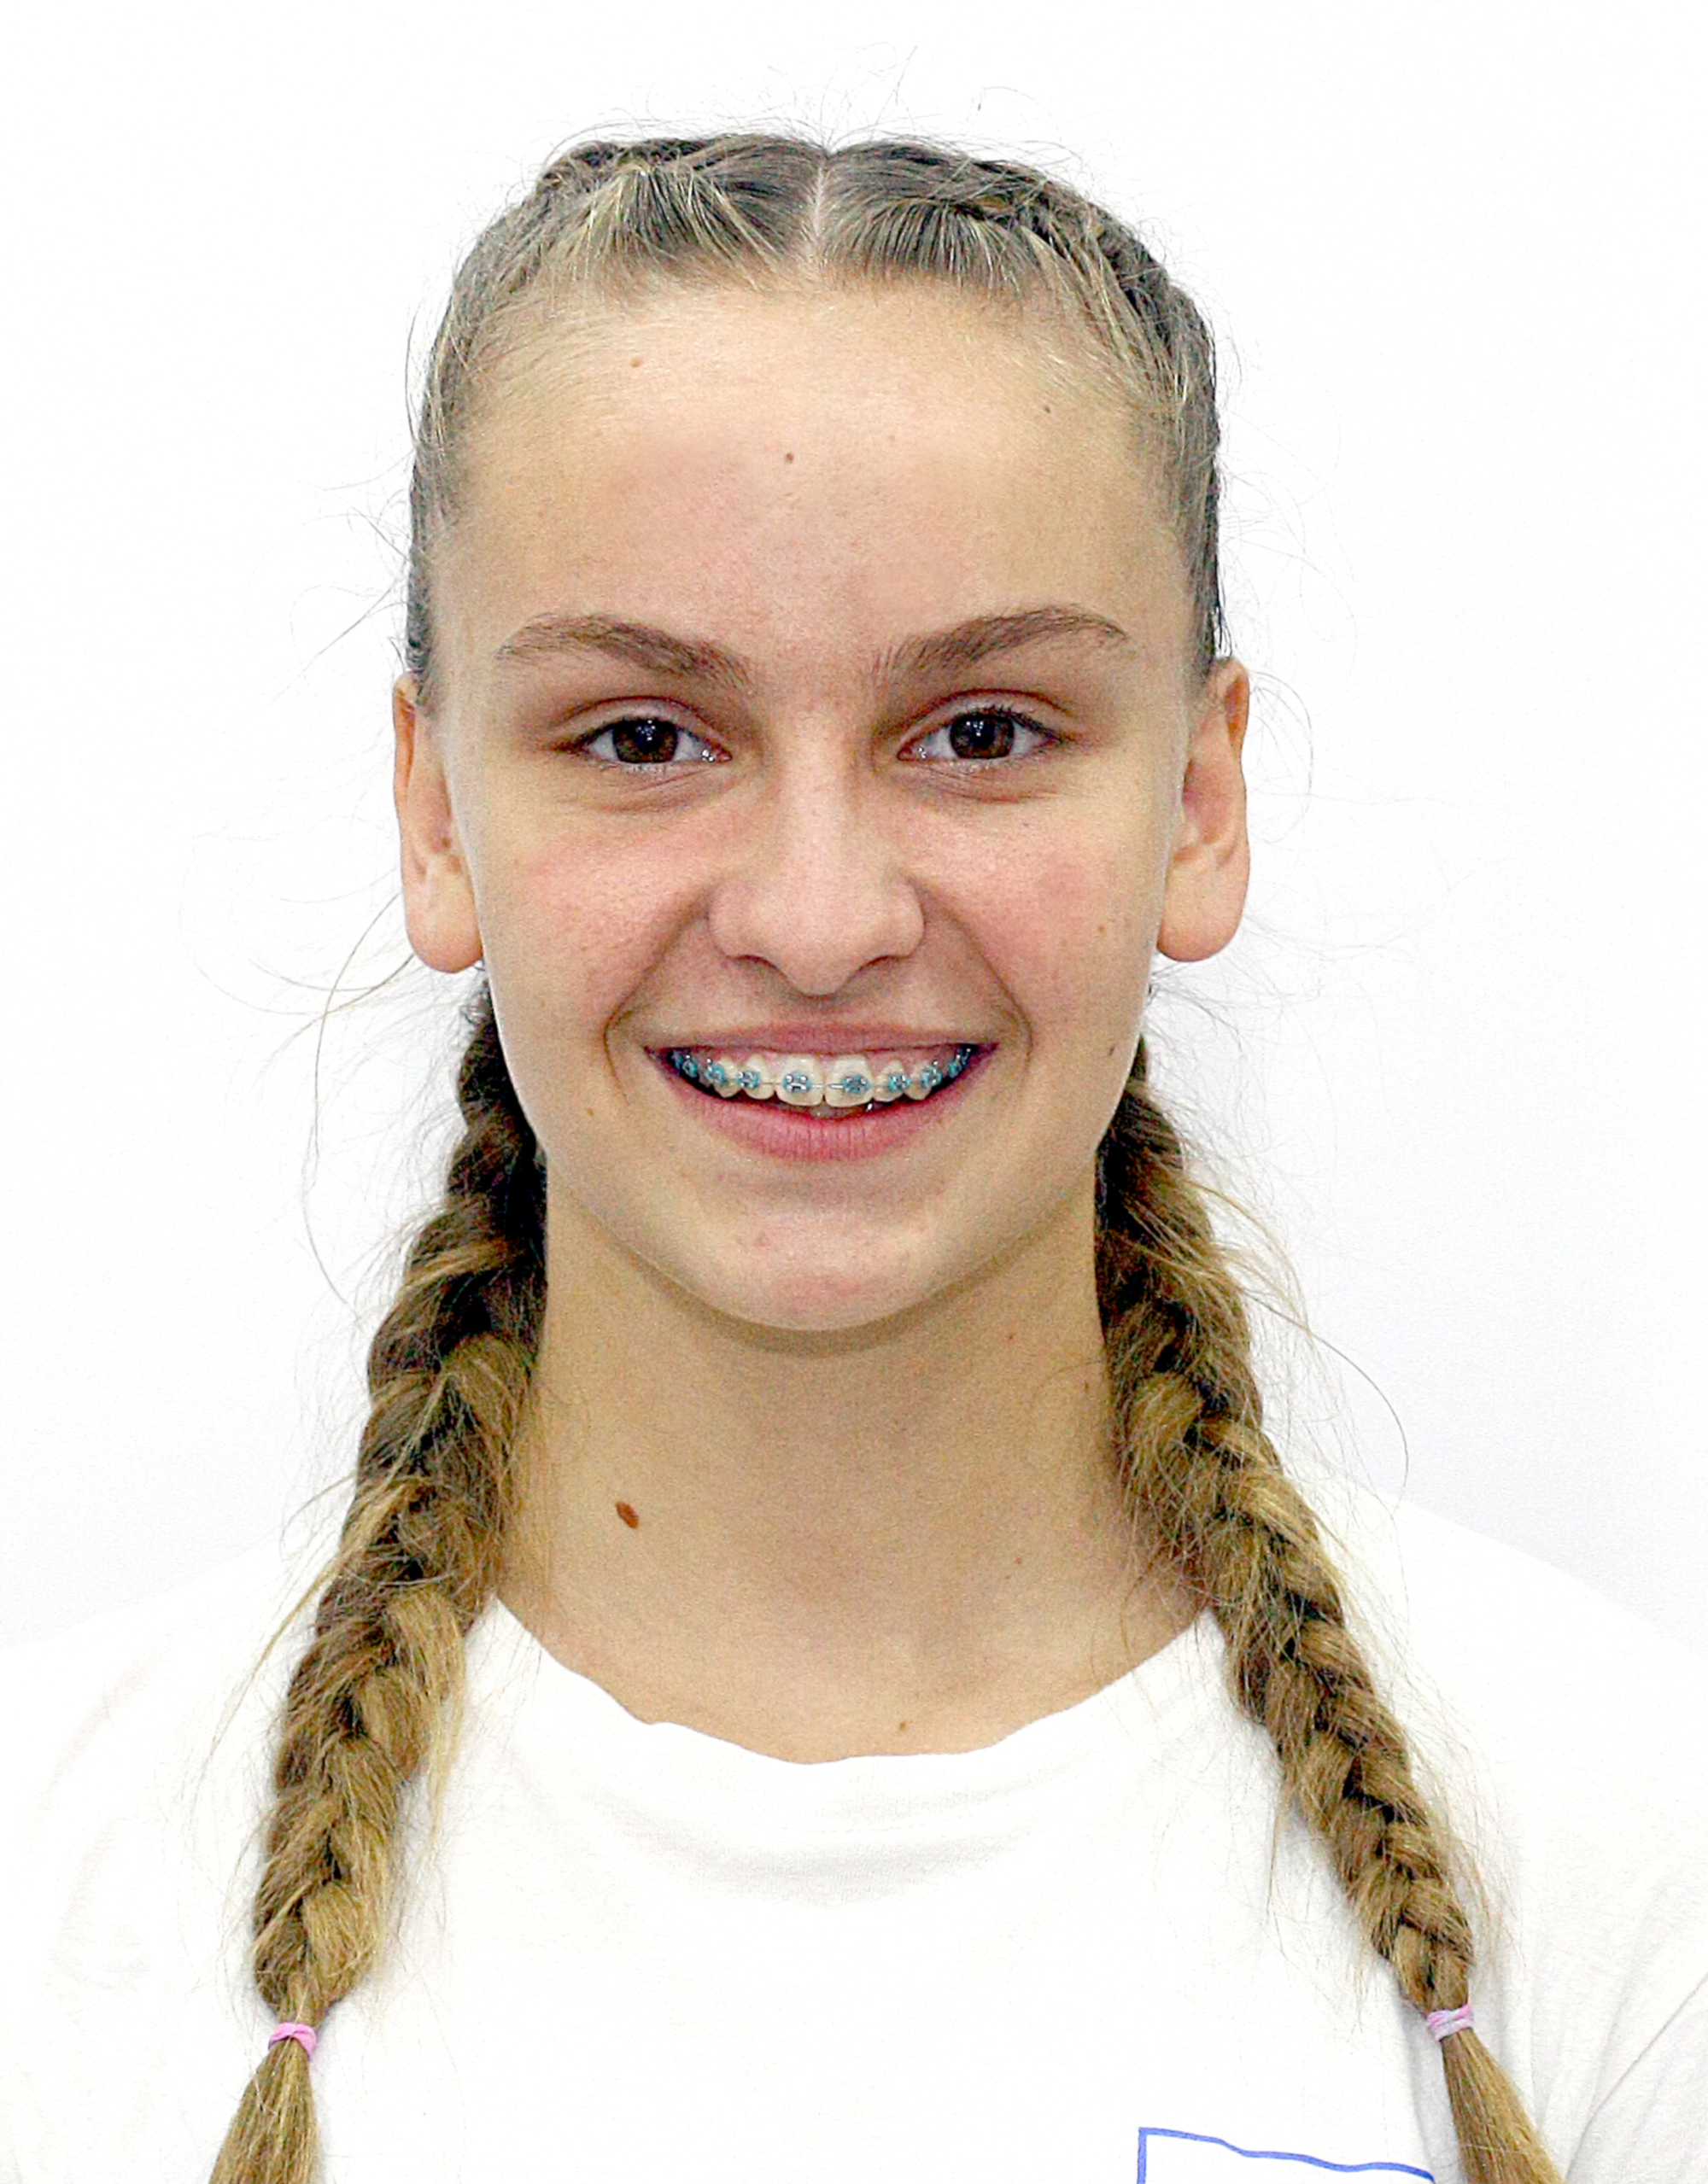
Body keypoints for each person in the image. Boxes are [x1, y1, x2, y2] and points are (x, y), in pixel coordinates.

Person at [3, 134, 1703, 2184]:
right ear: (435, 813)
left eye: (980, 731)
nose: (816, 920)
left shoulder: (1624, 1854)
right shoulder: (54, 1897)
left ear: (1200, 800)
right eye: (644, 737)